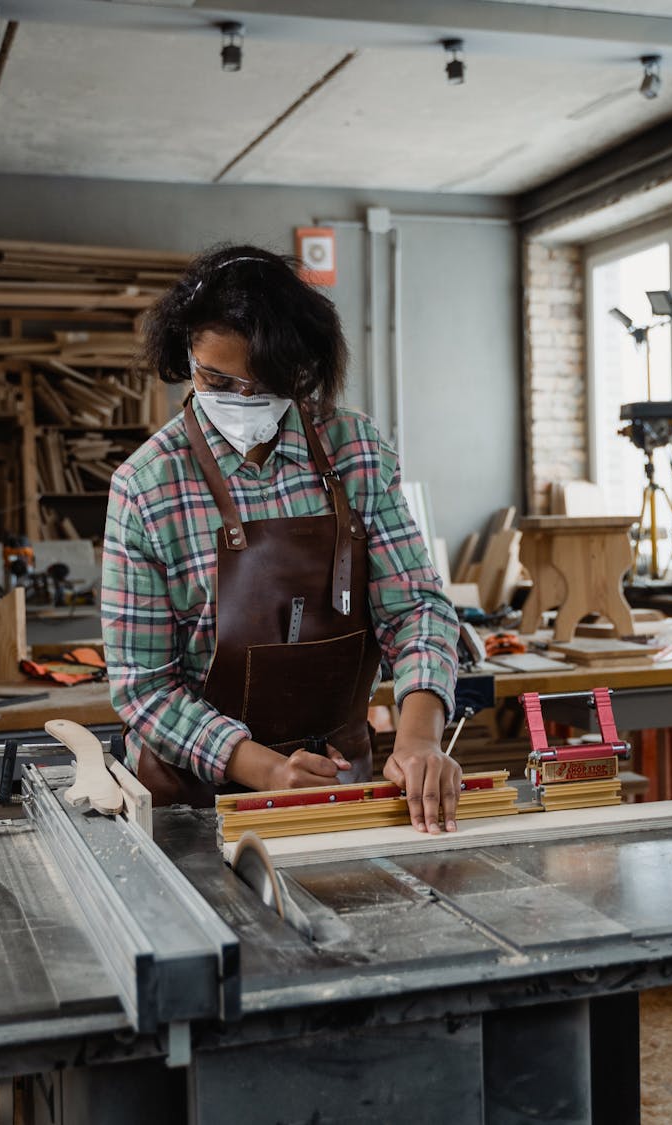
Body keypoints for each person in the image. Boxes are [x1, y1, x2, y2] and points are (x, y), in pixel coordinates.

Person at [101, 244, 461, 834]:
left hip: (343, 780)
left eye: (264, 383)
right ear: (183, 353)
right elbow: (145, 690)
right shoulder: (147, 488)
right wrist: (266, 771)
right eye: (217, 378)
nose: (242, 400)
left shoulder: (354, 449)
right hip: (197, 802)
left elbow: (416, 608)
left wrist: (420, 738)